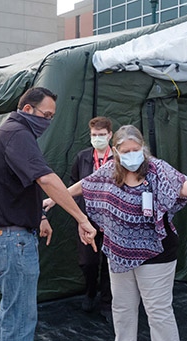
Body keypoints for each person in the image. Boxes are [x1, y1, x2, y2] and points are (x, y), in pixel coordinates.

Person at [50, 125, 187, 341]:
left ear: (143, 149)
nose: (132, 155)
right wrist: (56, 197)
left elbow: (181, 183)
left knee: (158, 312)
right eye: (126, 151)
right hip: (119, 250)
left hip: (156, 252)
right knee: (121, 306)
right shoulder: (110, 171)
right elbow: (85, 185)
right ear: (117, 152)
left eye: (136, 150)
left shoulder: (156, 169)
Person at [0, 87, 97, 341]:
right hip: (11, 239)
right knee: (21, 320)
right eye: (46, 116)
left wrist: (38, 216)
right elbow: (45, 179)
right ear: (28, 110)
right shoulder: (18, 133)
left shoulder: (10, 131)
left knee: (11, 313)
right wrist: (80, 219)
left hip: (3, 232)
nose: (49, 122)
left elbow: (21, 185)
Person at [70, 116, 113, 321]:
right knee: (88, 262)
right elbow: (74, 186)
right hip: (87, 219)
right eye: (94, 135)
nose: (98, 139)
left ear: (110, 135)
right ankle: (89, 291)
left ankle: (107, 302)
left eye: (102, 135)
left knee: (109, 263)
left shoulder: (120, 159)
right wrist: (80, 217)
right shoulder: (82, 157)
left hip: (113, 221)